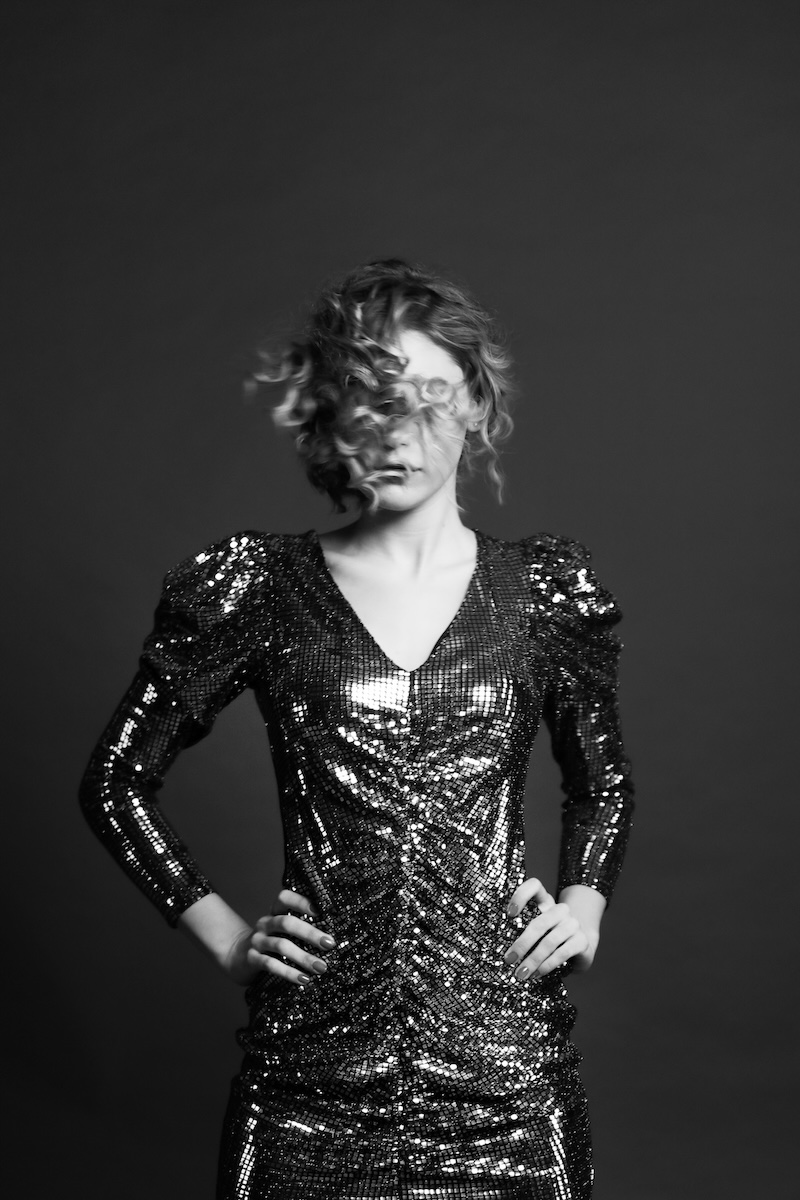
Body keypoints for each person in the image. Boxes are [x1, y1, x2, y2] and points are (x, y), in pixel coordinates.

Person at [80, 258, 634, 1200]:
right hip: (307, 1082)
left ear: (476, 404)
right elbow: (116, 780)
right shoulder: (260, 587)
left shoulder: (543, 593)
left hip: (510, 1080)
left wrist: (582, 908)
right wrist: (228, 938)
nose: (398, 433)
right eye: (371, 403)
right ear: (333, 419)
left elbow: (602, 781)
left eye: (429, 399)